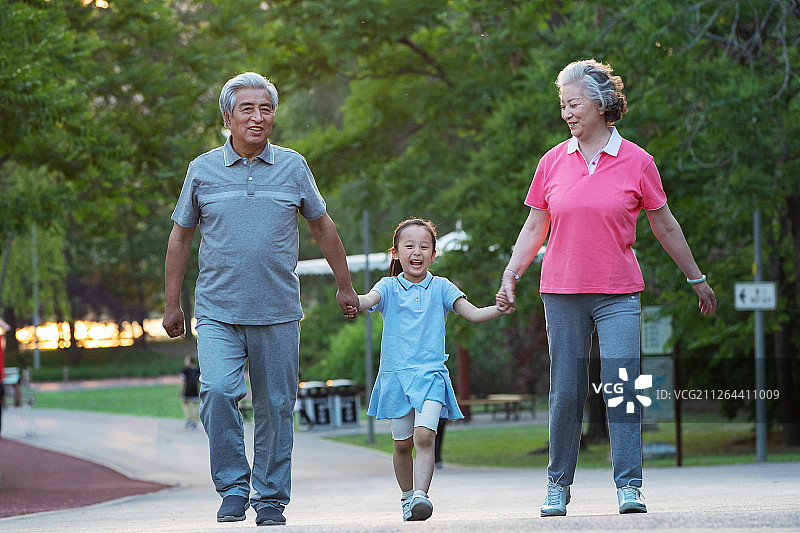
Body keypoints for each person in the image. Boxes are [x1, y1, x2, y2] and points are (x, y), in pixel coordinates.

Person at [495, 59, 717, 517]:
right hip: (562, 291)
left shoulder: (638, 161)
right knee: (567, 391)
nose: (567, 113)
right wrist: (511, 274)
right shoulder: (552, 161)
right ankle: (557, 485)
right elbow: (535, 226)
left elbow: (665, 226)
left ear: (600, 104)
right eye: (563, 105)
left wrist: (695, 277)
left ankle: (629, 485)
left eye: (574, 103)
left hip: (618, 291)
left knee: (623, 386)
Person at [162, 72, 359, 527]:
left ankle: (270, 497)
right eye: (247, 109)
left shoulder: (293, 166)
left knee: (275, 407)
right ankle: (233, 487)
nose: (257, 117)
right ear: (227, 117)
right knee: (216, 392)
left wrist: (344, 284)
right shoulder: (202, 170)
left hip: (278, 311)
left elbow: (323, 226)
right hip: (217, 310)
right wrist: (172, 303)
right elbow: (180, 237)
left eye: (265, 108)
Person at [353, 218, 510, 522]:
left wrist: (499, 308)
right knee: (402, 445)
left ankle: (421, 497)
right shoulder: (388, 286)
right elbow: (366, 300)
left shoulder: (441, 287)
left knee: (424, 436)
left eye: (424, 247)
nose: (417, 252)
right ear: (395, 253)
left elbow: (474, 313)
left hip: (431, 376)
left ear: (433, 254)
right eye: (409, 246)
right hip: (396, 377)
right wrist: (350, 299)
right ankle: (407, 497)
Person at [179, 355, 201, 429]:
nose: (185, 362)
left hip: (188, 389)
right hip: (195, 389)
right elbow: (199, 380)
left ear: (189, 361)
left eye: (186, 360)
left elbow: (182, 381)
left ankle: (189, 419)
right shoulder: (197, 369)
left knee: (185, 404)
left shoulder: (185, 370)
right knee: (195, 405)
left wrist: (180, 391)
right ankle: (195, 422)